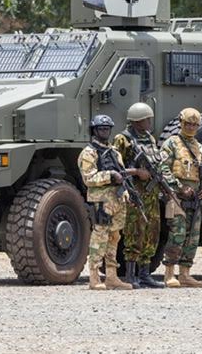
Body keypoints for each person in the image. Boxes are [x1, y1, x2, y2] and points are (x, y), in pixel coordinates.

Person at [159, 108, 202, 288]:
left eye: (194, 125)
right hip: (177, 197)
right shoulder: (171, 143)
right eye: (187, 124)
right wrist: (178, 187)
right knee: (177, 233)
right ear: (181, 124)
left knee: (193, 236)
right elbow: (163, 168)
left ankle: (185, 273)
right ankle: (169, 274)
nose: (191, 127)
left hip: (196, 197)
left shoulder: (199, 147)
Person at [113, 102, 165, 289]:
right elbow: (115, 168)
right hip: (134, 193)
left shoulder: (149, 138)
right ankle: (130, 275)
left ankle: (145, 274)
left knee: (152, 233)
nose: (150, 122)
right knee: (134, 233)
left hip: (151, 193)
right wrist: (136, 172)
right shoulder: (123, 139)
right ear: (138, 120)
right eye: (147, 119)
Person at [78, 114, 132, 290]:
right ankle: (94, 277)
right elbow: (88, 178)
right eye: (101, 129)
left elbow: (121, 174)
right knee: (99, 238)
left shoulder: (114, 152)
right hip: (101, 201)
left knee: (114, 238)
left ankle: (111, 276)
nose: (105, 132)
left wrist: (126, 191)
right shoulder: (88, 153)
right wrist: (110, 176)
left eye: (107, 129)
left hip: (117, 200)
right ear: (94, 130)